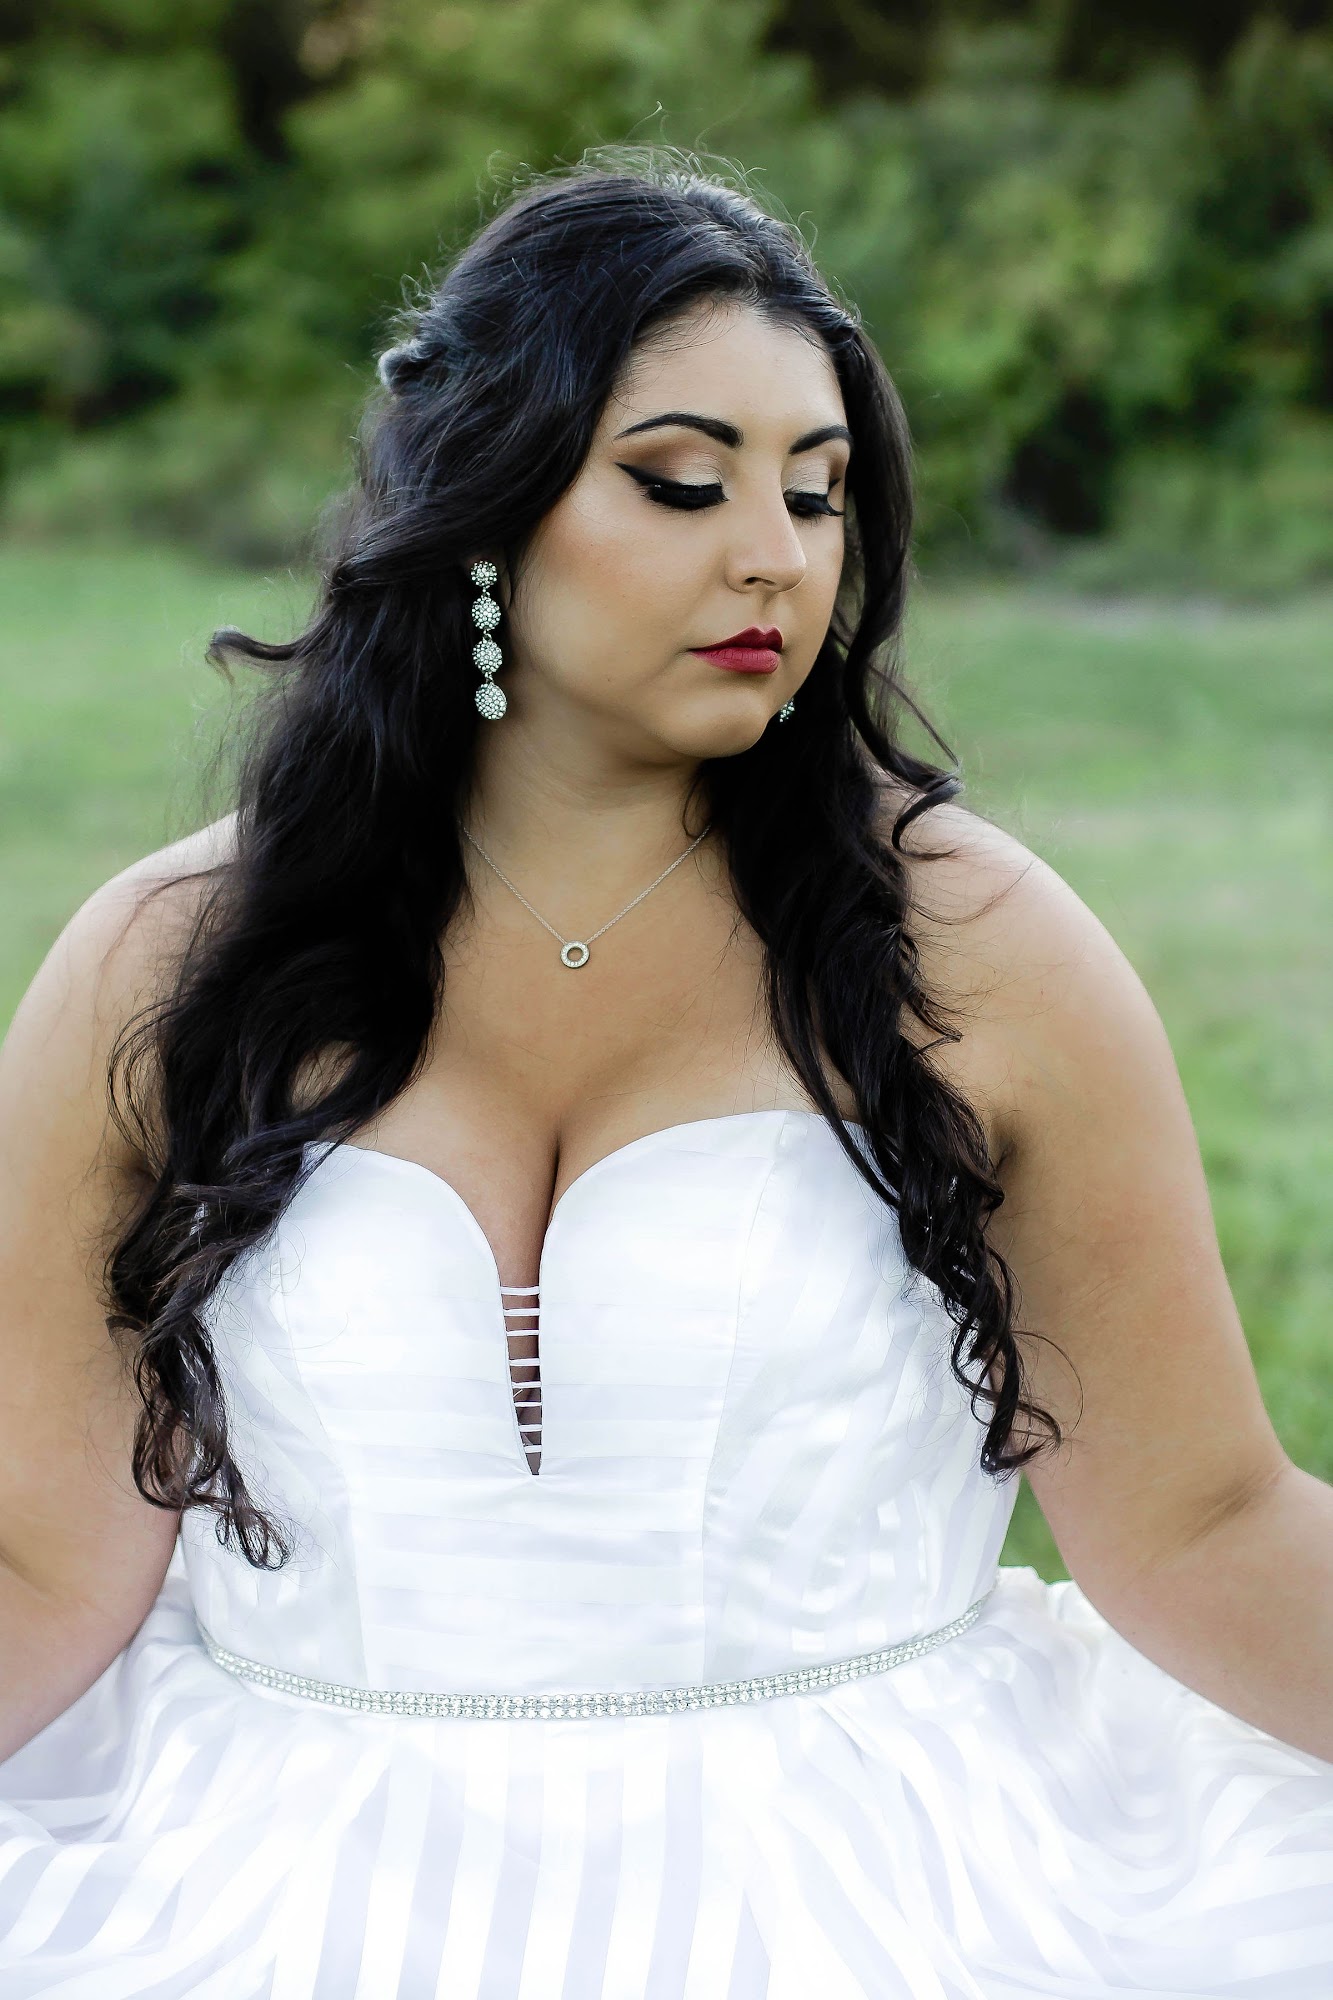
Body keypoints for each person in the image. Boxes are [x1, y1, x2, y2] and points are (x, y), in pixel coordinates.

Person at [0, 145, 1329, 2000]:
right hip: (269, 1892)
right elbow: (41, 1565)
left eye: (818, 489)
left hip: (876, 1895)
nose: (773, 552)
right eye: (682, 482)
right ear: (481, 501)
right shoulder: (171, 963)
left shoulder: (975, 947)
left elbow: (1204, 1525)